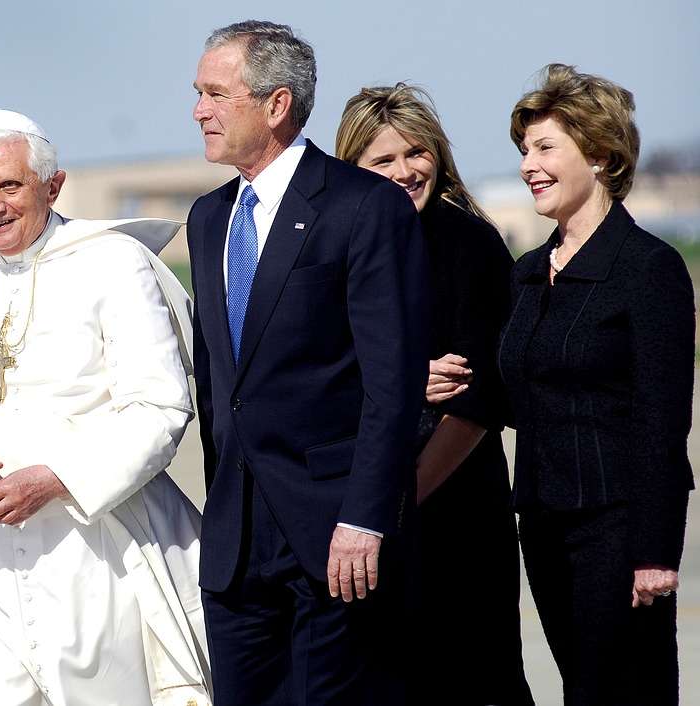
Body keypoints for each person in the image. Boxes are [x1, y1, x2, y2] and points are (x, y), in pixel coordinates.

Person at [0, 109, 211, 706]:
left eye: (10, 186)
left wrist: (59, 478)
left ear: (53, 186)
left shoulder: (115, 263)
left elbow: (161, 407)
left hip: (95, 547)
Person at [187, 21, 429, 705]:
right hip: (236, 542)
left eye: (215, 93)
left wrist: (365, 517)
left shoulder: (363, 206)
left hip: (333, 536)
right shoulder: (210, 218)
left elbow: (393, 384)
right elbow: (220, 385)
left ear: (275, 104)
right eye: (198, 93)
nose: (199, 109)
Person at [499, 64, 695, 705]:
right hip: (545, 528)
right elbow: (515, 393)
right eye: (524, 150)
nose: (529, 164)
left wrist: (655, 551)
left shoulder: (647, 269)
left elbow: (663, 421)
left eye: (545, 147)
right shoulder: (527, 275)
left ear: (602, 156)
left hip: (618, 530)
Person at [335, 82, 534, 705]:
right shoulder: (331, 251)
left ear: (439, 156)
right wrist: (398, 384)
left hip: (455, 504)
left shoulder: (471, 242)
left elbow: (482, 397)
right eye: (381, 160)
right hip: (360, 509)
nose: (404, 171)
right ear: (353, 170)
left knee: (477, 677)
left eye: (415, 153)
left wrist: (400, 502)